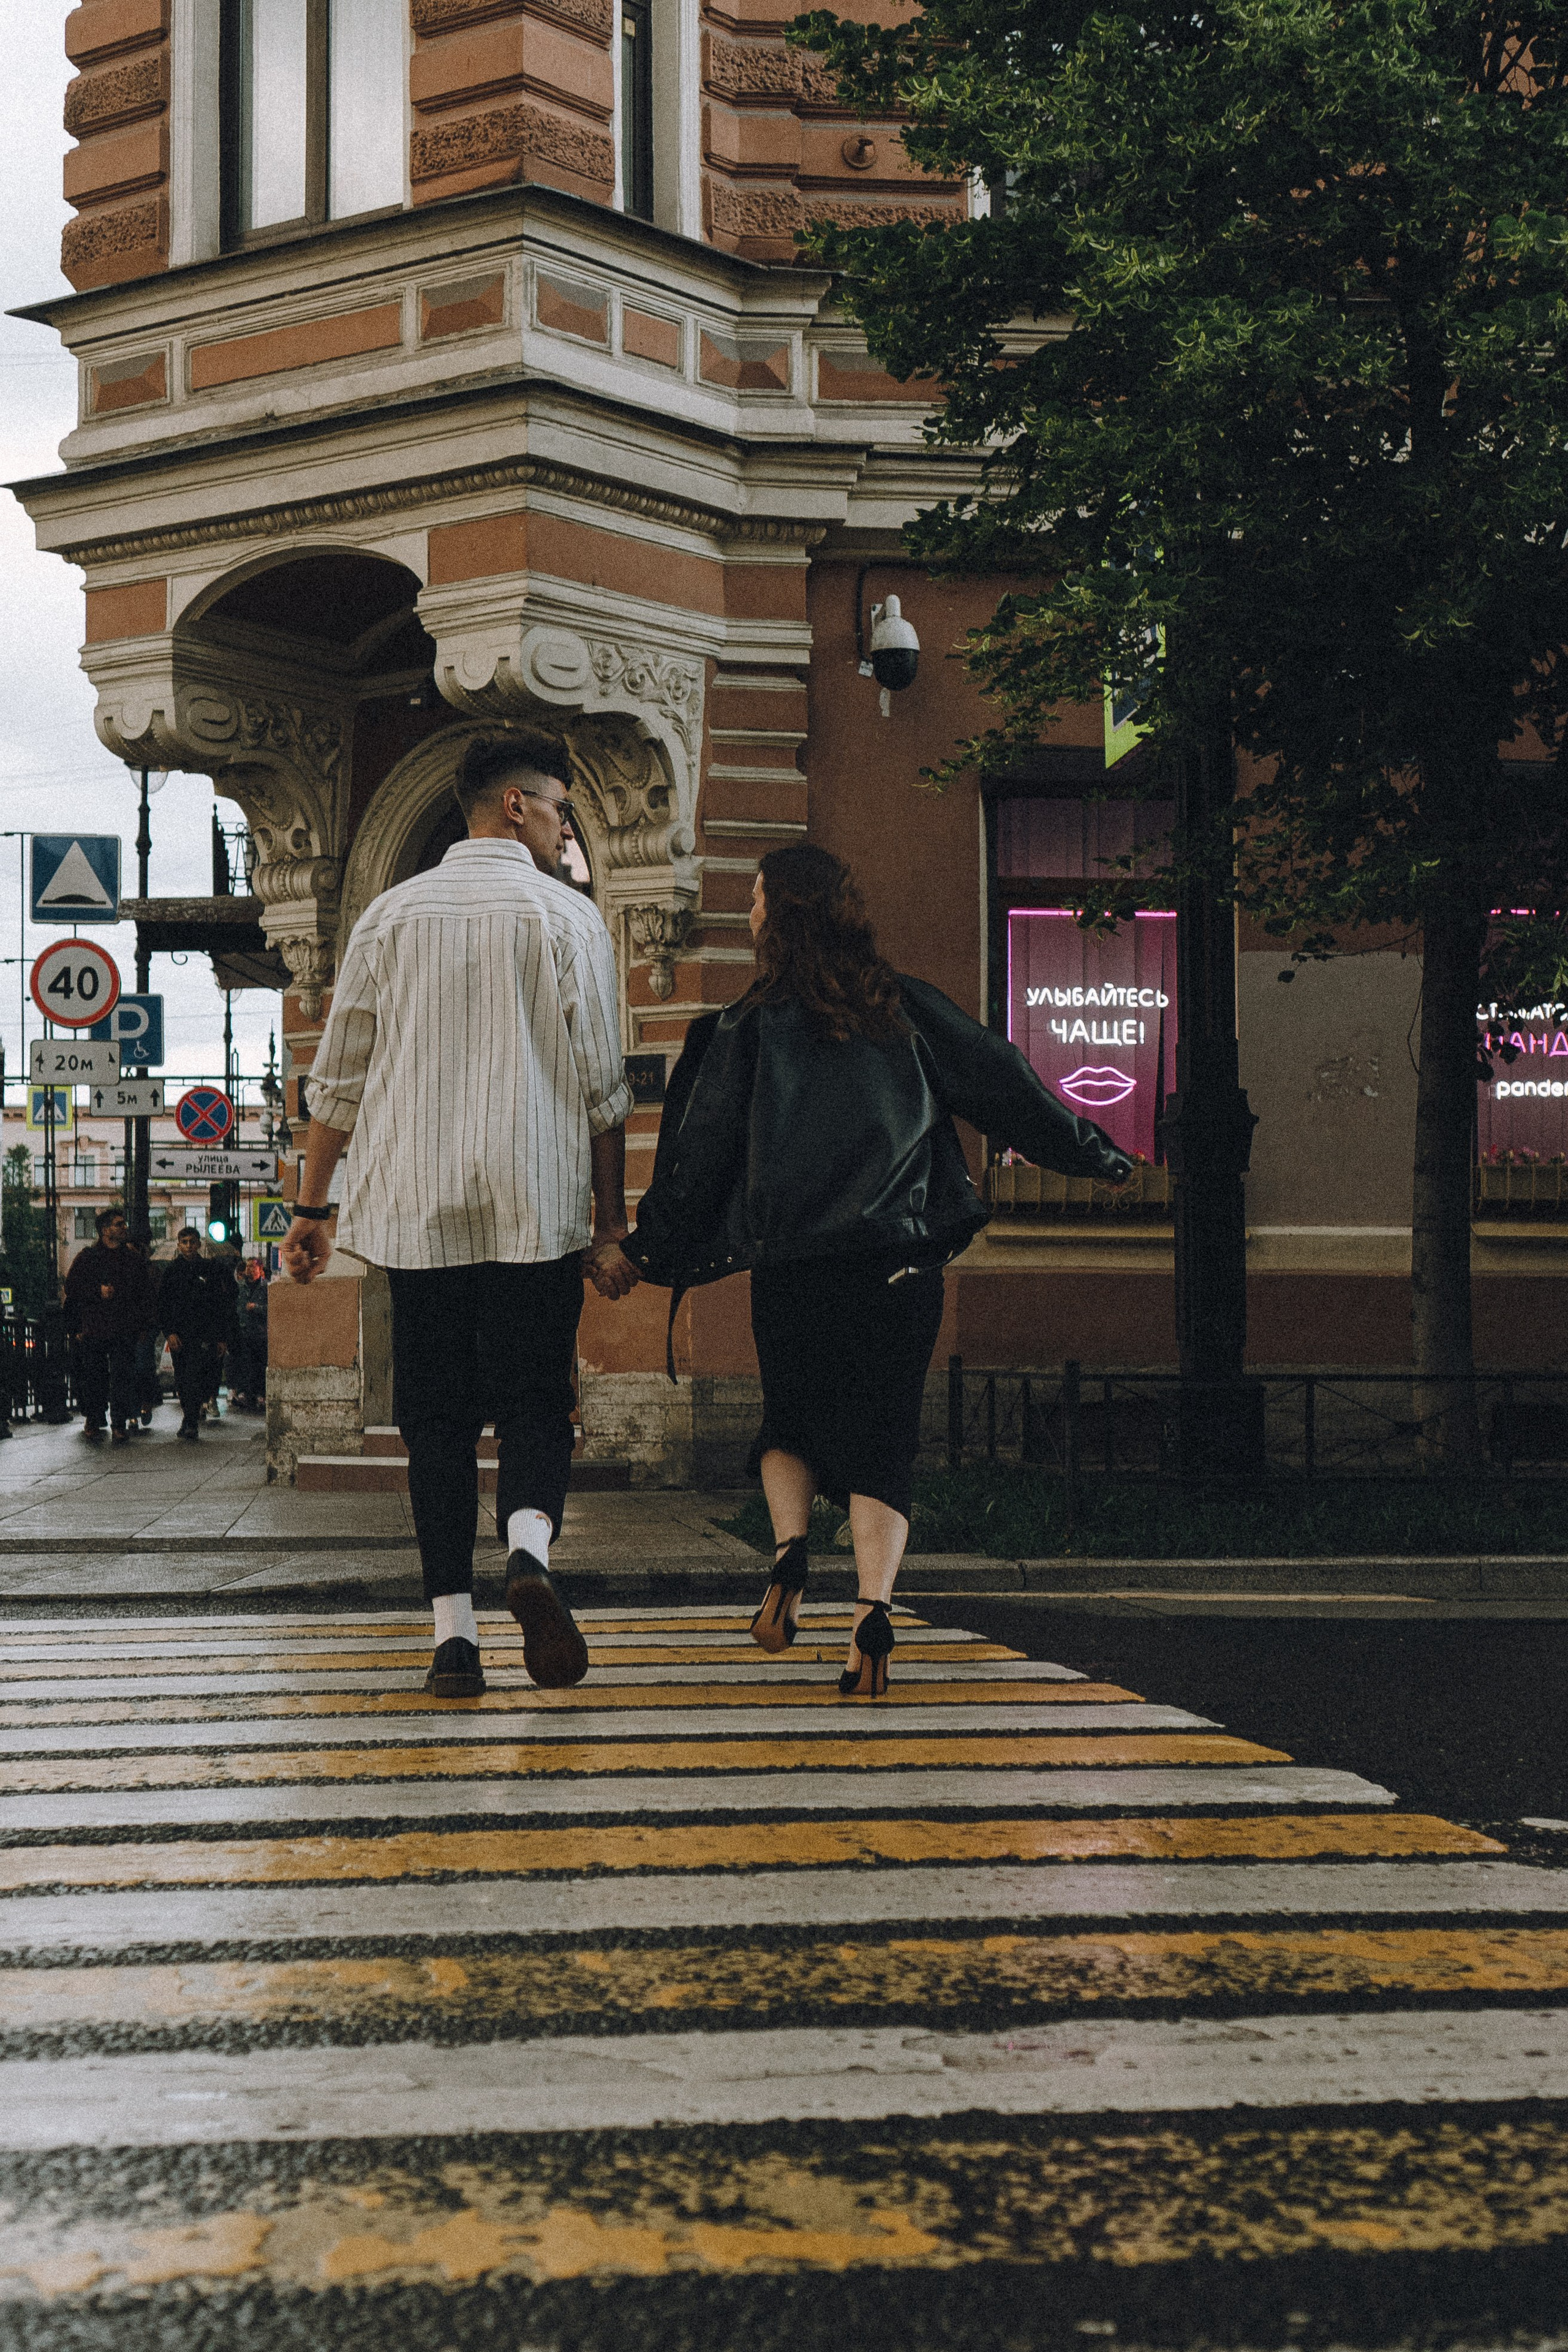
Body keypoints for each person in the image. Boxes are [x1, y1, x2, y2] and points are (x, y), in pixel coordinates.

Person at [599, 843, 1131, 1697]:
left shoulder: (743, 1028)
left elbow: (697, 1160)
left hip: (796, 1267)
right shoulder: (908, 1010)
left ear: (780, 914)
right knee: (884, 1443)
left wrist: (643, 1248)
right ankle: (873, 1616)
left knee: (789, 1425)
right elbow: (1008, 1085)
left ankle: (790, 1555)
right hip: (900, 1263)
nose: (747, 913)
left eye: (755, 899)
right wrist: (1093, 1152)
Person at [281, 728, 636, 1701]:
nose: (568, 833)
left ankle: (453, 1644)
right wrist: (610, 1226)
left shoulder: (389, 919)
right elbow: (606, 1093)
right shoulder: (568, 921)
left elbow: (338, 1080)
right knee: (535, 1405)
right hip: (537, 1204)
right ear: (514, 805)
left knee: (433, 1427)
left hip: (417, 1215)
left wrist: (311, 1208)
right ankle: (528, 1550)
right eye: (561, 809)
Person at [62, 1207, 154, 1446]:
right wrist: (97, 1292)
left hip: (124, 1328)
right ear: (105, 1230)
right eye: (119, 1224)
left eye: (124, 1224)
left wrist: (144, 1324)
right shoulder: (88, 1257)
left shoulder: (132, 1259)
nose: (124, 1228)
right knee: (95, 1376)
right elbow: (71, 1288)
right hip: (95, 1328)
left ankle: (119, 1424)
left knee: (123, 1377)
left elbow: (144, 1294)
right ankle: (94, 1419)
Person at [159, 1226, 228, 1441]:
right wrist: (169, 1332)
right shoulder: (172, 1271)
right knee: (183, 1378)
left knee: (199, 1377)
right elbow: (164, 1304)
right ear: (179, 1245)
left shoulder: (209, 1269)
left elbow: (218, 1305)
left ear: (199, 1244)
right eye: (185, 1242)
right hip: (181, 1335)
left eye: (192, 1242)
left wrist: (221, 1337)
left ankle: (191, 1418)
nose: (189, 1246)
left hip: (204, 1334)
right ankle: (189, 1419)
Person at [233, 1257, 269, 1409]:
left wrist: (257, 1308)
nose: (250, 1270)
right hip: (243, 1332)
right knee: (244, 1364)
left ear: (260, 1270)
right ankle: (244, 1394)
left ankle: (260, 1394)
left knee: (259, 1365)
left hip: (260, 1334)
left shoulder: (266, 1287)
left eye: (253, 1267)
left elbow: (272, 1308)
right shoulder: (240, 1287)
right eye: (248, 1267)